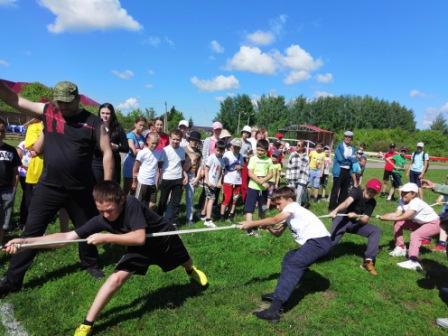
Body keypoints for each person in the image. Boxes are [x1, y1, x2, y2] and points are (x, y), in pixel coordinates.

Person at [2, 181, 207, 336]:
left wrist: (105, 237)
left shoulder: (132, 204)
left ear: (121, 200)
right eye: (101, 211)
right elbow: (66, 238)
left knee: (183, 259)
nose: (106, 216)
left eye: (109, 210)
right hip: (139, 247)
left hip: (162, 238)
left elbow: (139, 236)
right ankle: (88, 323)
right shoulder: (101, 219)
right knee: (116, 278)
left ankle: (191, 271)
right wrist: (26, 242)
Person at [0, 80, 114, 296]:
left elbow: (107, 152)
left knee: (87, 228)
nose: (63, 107)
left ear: (78, 99)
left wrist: (106, 186)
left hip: (81, 189)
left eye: (68, 103)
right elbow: (15, 100)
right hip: (49, 187)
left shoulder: (93, 123)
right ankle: (12, 279)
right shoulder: (49, 111)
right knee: (32, 231)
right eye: (60, 102)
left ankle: (90, 263)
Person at [239, 186, 332, 322]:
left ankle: (273, 311)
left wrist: (251, 223)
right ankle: (281, 294)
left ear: (289, 199)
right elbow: (277, 232)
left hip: (319, 242)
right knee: (289, 258)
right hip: (317, 243)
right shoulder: (289, 213)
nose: (277, 207)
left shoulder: (293, 207)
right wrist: (269, 227)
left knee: (294, 264)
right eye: (275, 204)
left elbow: (275, 219)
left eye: (279, 203)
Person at [378, 182, 440, 271]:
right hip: (419, 223)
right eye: (402, 191)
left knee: (416, 235)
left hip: (433, 224)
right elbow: (397, 214)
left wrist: (388, 218)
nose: (403, 194)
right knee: (398, 223)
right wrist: (384, 216)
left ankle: (413, 261)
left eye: (405, 192)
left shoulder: (416, 202)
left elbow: (406, 216)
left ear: (413, 194)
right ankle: (400, 247)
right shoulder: (402, 200)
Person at [329, 178, 382, 275]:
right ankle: (312, 253)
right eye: (370, 189)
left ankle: (368, 261)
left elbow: (365, 219)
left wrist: (356, 216)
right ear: (366, 187)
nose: (371, 193)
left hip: (355, 224)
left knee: (375, 231)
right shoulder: (356, 192)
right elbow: (346, 203)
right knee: (329, 245)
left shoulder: (372, 202)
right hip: (342, 220)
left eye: (374, 192)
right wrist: (335, 211)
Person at [92, 103, 129, 184]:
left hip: (114, 162)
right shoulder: (94, 127)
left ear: (112, 114)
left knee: (111, 189)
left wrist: (116, 147)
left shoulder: (118, 128)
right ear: (99, 114)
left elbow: (126, 148)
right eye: (103, 113)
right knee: (96, 187)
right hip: (97, 162)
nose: (105, 115)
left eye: (108, 113)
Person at [157, 130, 188, 225]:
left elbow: (181, 165)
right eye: (173, 139)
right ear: (170, 138)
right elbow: (159, 166)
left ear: (181, 140)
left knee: (176, 202)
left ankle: (173, 221)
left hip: (178, 178)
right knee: (163, 200)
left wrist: (185, 175)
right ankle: (159, 219)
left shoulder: (182, 151)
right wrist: (158, 178)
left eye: (178, 139)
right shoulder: (165, 150)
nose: (175, 141)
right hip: (166, 178)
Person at [244, 139, 273, 234]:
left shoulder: (269, 160)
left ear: (266, 150)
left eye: (262, 151)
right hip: (253, 187)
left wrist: (264, 181)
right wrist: (260, 182)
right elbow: (250, 173)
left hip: (264, 189)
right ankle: (249, 227)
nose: (260, 152)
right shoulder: (253, 159)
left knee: (263, 207)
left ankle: (262, 225)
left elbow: (271, 174)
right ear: (256, 149)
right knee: (249, 208)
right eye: (258, 150)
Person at [0, 118, 20, 244]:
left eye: (2, 130)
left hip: (7, 189)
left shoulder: (11, 150)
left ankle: (0, 243)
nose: (0, 133)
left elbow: (15, 172)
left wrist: (14, 188)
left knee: (3, 219)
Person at [131, 132, 163, 210]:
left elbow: (159, 168)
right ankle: (135, 220)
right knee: (138, 203)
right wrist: (134, 182)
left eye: (156, 143)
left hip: (152, 183)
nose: (154, 145)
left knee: (152, 205)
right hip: (142, 182)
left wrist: (158, 181)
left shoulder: (159, 153)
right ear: (148, 141)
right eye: (153, 143)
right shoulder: (142, 153)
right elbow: (135, 168)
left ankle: (147, 220)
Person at [329, 131, 356, 211]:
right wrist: (350, 159)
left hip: (348, 171)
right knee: (335, 190)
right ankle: (332, 207)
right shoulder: (339, 146)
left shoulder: (353, 148)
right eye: (346, 137)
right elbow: (340, 159)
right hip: (339, 170)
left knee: (344, 191)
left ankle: (340, 207)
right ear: (344, 137)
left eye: (349, 137)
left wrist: (350, 160)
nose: (348, 138)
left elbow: (354, 160)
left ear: (351, 138)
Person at [202, 140, 225, 228]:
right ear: (215, 148)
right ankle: (208, 220)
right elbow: (206, 169)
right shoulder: (211, 157)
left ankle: (203, 215)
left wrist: (219, 182)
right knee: (212, 199)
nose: (219, 152)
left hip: (214, 184)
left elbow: (221, 172)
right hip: (209, 183)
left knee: (209, 199)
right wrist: (207, 181)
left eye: (221, 151)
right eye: (218, 150)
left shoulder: (222, 160)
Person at [220, 138, 243, 221]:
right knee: (227, 198)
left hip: (237, 180)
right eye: (235, 146)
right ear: (232, 146)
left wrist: (240, 167)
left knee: (235, 198)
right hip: (228, 179)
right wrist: (232, 166)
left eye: (238, 147)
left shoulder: (241, 156)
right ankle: (222, 215)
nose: (236, 148)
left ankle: (231, 214)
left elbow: (242, 166)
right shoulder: (227, 154)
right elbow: (223, 166)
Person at [122, 117, 146, 195]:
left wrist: (139, 151)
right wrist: (140, 151)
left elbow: (146, 151)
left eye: (143, 126)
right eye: (140, 125)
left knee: (135, 190)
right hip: (130, 165)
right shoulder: (130, 135)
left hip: (139, 166)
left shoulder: (142, 137)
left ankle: (132, 206)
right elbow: (133, 152)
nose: (142, 127)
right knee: (127, 188)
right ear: (135, 124)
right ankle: (123, 206)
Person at [184, 131, 202, 224]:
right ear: (189, 140)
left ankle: (189, 219)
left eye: (196, 141)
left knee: (190, 199)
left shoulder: (199, 153)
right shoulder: (183, 150)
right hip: (181, 176)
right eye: (193, 140)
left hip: (192, 177)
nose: (194, 142)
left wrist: (197, 178)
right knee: (174, 198)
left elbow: (200, 167)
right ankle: (170, 217)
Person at [286, 140, 309, 207]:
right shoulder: (292, 155)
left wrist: (306, 179)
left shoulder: (306, 157)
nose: (297, 146)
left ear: (303, 147)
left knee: (298, 196)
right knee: (292, 195)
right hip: (292, 178)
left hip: (302, 179)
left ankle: (297, 210)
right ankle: (290, 208)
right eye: (296, 145)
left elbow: (307, 168)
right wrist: (288, 177)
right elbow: (288, 166)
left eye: (299, 145)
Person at [239, 125, 253, 202]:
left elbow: (251, 153)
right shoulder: (237, 140)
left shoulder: (249, 144)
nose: (246, 134)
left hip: (244, 162)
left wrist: (249, 156)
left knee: (244, 182)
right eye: (245, 132)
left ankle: (244, 200)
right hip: (235, 162)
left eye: (248, 133)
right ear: (242, 133)